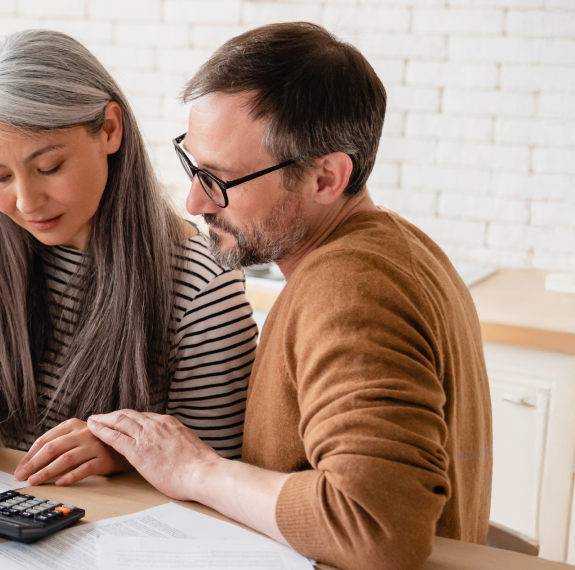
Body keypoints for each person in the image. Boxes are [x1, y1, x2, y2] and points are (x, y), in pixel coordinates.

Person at [86, 23, 491, 570]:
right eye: (193, 166)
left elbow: (376, 526)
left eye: (220, 179)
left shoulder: (350, 289)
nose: (195, 202)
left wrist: (196, 470)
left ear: (326, 178)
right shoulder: (400, 248)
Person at [0, 30, 258, 488]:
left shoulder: (202, 284)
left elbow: (220, 467)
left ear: (110, 129)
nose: (27, 202)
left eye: (48, 167)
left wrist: (124, 453)